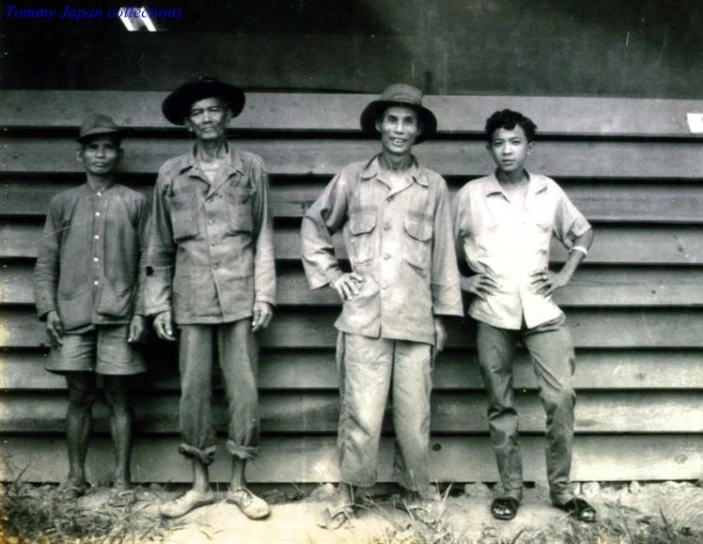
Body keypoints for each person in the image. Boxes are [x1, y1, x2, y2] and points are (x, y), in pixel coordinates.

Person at [301, 83, 463, 529]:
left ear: (419, 130)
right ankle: (350, 494)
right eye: (391, 119)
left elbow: (444, 256)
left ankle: (416, 493)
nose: (399, 128)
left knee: (414, 418)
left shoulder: (433, 186)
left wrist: (441, 318)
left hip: (415, 320)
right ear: (378, 124)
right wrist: (335, 275)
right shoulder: (353, 177)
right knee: (361, 414)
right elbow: (315, 225)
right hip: (363, 318)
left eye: (408, 121)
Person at [453, 109, 596, 523]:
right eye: (498, 143)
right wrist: (462, 285)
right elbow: (441, 249)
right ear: (489, 148)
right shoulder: (470, 195)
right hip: (492, 311)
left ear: (529, 147)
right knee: (500, 403)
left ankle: (563, 491)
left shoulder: (548, 191)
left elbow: (582, 231)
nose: (507, 150)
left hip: (541, 309)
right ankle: (510, 490)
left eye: (515, 142)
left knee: (560, 397)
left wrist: (565, 272)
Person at [146, 76, 275, 520]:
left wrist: (265, 296)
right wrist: (158, 303)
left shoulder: (252, 168)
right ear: (187, 122)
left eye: (214, 110)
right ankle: (200, 485)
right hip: (192, 298)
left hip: (241, 296)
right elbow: (159, 245)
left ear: (228, 115)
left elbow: (263, 237)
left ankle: (239, 485)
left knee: (244, 392)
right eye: (198, 112)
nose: (207, 119)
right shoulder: (171, 175)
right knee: (193, 391)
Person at [33, 113, 148, 507]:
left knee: (118, 395)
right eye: (93, 148)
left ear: (119, 154)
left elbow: (149, 261)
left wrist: (140, 312)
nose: (101, 155)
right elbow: (47, 260)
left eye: (108, 148)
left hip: (120, 314)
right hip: (72, 316)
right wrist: (48, 309)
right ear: (80, 154)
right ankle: (75, 477)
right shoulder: (63, 203)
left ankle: (122, 481)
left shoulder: (134, 202)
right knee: (78, 396)